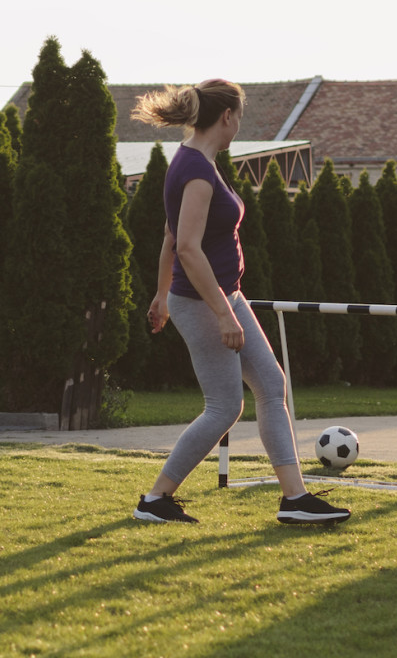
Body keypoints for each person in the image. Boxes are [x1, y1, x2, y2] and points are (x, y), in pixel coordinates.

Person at [132, 80, 349, 526]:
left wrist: (160, 293)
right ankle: (155, 499)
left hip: (221, 297)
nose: (240, 123)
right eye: (241, 115)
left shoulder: (198, 161)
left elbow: (171, 237)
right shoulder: (195, 169)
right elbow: (187, 248)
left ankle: (294, 499)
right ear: (227, 117)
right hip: (205, 303)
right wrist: (222, 313)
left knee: (271, 385)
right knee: (224, 406)